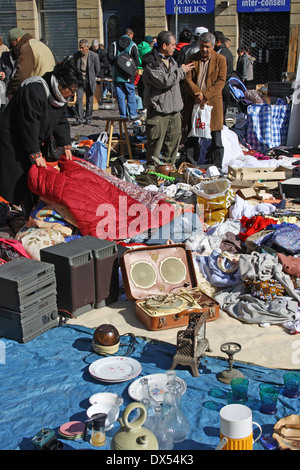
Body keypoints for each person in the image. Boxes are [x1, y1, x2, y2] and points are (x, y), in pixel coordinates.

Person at [0, 59, 82, 216]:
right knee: (19, 175)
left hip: (31, 138)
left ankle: (28, 211)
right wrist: (35, 153)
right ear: (60, 84)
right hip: (14, 138)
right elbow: (29, 123)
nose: (71, 95)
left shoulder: (59, 96)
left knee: (31, 174)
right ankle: (24, 212)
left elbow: (62, 121)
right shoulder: (35, 90)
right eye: (71, 90)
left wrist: (66, 144)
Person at [142, 30, 194, 166]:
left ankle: (169, 170)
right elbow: (164, 81)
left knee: (173, 143)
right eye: (172, 45)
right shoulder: (151, 63)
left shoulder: (172, 61)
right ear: (164, 46)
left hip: (174, 110)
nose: (175, 47)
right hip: (159, 111)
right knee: (155, 144)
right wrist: (182, 71)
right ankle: (151, 173)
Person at [183, 32, 227, 168]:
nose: (204, 50)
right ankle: (191, 165)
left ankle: (216, 166)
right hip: (195, 102)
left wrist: (206, 95)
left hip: (213, 104)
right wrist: (198, 95)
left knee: (216, 138)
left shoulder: (220, 59)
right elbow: (187, 79)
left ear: (213, 46)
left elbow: (221, 81)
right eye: (202, 46)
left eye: (207, 47)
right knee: (192, 136)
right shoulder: (191, 58)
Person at [6, 28, 56, 98]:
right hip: (49, 89)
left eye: (13, 45)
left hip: (36, 92)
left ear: (18, 40)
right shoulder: (39, 44)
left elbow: (22, 74)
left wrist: (10, 89)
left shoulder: (26, 48)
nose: (14, 49)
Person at [108, 28, 139, 120]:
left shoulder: (114, 44)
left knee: (120, 96)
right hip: (128, 75)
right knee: (131, 94)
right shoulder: (132, 45)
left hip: (117, 75)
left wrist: (115, 66)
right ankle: (133, 114)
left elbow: (109, 57)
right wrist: (132, 68)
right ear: (131, 34)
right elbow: (136, 59)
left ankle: (123, 115)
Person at [71, 39, 100, 125]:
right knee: (79, 100)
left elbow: (97, 69)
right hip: (80, 81)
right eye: (80, 48)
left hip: (89, 81)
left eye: (82, 48)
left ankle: (88, 117)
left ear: (87, 47)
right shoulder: (77, 56)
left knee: (89, 100)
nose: (81, 49)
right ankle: (79, 118)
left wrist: (92, 76)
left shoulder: (94, 56)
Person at [214, 31, 233, 121]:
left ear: (218, 41)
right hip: (223, 84)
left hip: (222, 85)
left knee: (220, 112)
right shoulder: (224, 51)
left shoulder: (222, 54)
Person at [90, 40, 111, 105]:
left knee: (100, 86)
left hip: (100, 71)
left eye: (95, 47)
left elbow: (105, 63)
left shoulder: (102, 52)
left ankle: (100, 100)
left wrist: (97, 65)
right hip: (92, 71)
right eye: (93, 47)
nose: (94, 48)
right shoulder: (90, 51)